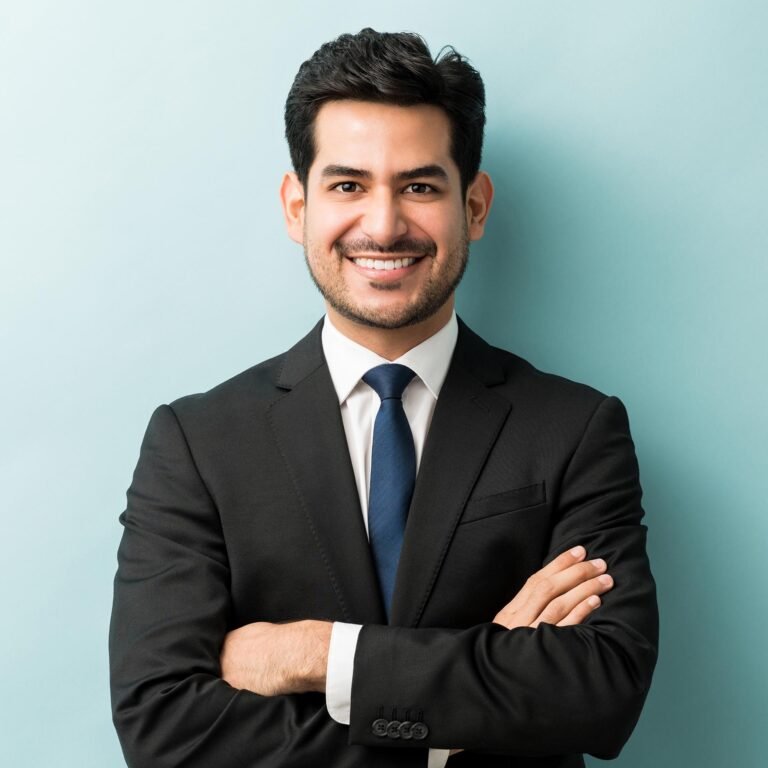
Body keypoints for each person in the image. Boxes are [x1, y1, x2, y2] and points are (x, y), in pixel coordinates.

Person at [109, 28, 658, 768]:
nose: (384, 224)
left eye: (420, 186)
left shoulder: (575, 430)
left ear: (476, 204)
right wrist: (463, 713)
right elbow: (164, 726)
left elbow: (603, 690)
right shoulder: (197, 442)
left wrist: (317, 654)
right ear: (296, 206)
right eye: (348, 185)